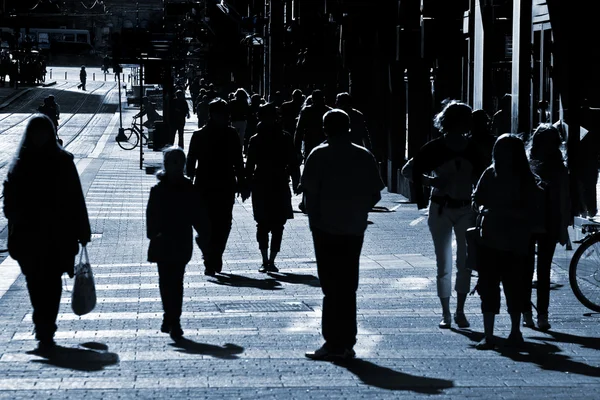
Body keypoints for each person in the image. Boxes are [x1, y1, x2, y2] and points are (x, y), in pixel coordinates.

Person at [2, 114, 91, 353]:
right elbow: (8, 200)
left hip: (56, 236)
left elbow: (75, 198)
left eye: (43, 132)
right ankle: (43, 324)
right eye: (35, 133)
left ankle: (45, 327)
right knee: (35, 283)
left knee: (51, 284)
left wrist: (83, 230)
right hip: (29, 236)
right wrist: (13, 211)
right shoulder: (20, 163)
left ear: (49, 134)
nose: (39, 137)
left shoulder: (62, 161)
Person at [303, 109, 385, 361]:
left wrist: (316, 215)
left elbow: (309, 196)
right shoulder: (363, 155)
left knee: (330, 286)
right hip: (353, 228)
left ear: (325, 129)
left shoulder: (318, 155)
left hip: (325, 228)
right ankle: (347, 341)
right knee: (348, 286)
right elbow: (376, 194)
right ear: (348, 127)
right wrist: (357, 208)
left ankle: (332, 341)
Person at [405, 100, 483, 329]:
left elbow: (484, 175)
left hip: (464, 208)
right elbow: (408, 170)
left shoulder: (472, 148)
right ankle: (448, 312)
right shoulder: (436, 148)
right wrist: (431, 181)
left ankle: (457, 311)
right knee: (445, 262)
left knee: (463, 262)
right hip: (441, 207)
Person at [472, 134, 544, 350]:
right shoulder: (526, 178)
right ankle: (514, 332)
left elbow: (476, 200)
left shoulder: (491, 173)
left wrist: (486, 210)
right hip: (516, 242)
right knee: (514, 287)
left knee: (490, 287)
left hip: (493, 239)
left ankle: (490, 335)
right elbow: (534, 208)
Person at [186, 99, 248, 276]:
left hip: (219, 185)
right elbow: (190, 161)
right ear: (213, 114)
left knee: (222, 223)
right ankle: (210, 255)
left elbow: (238, 161)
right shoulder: (204, 135)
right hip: (212, 185)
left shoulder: (228, 134)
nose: (226, 116)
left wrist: (242, 182)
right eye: (223, 113)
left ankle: (213, 254)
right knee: (212, 223)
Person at [522, 124, 571, 331]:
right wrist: (563, 228)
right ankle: (542, 314)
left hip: (527, 222)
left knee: (525, 269)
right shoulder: (559, 168)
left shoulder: (527, 164)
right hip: (550, 223)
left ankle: (526, 312)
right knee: (543, 270)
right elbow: (563, 200)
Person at [146, 146, 197, 341]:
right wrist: (153, 235)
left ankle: (173, 319)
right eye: (172, 162)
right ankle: (170, 317)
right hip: (163, 242)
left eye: (179, 162)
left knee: (176, 281)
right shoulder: (158, 190)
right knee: (166, 282)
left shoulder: (188, 188)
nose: (176, 166)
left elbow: (197, 213)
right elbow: (151, 216)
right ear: (166, 165)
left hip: (181, 242)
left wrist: (205, 236)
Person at [245, 103, 301, 273]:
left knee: (267, 223)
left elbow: (250, 166)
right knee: (274, 224)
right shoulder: (283, 137)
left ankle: (267, 260)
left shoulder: (256, 139)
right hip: (277, 182)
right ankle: (268, 259)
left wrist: (246, 184)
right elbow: (293, 163)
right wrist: (296, 180)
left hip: (263, 182)